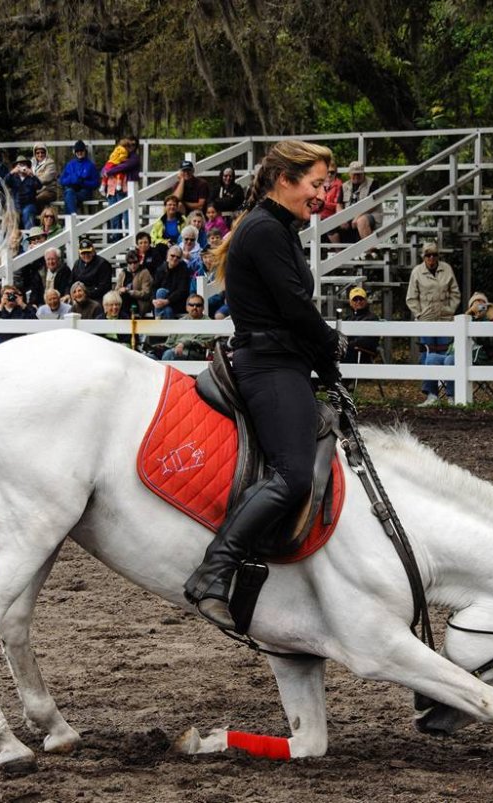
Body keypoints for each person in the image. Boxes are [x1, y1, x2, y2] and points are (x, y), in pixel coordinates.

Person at [183, 139, 341, 629]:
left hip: (284, 361)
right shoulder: (266, 231)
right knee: (293, 475)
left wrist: (325, 363)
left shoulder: (279, 228)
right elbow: (295, 308)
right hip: (269, 366)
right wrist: (332, 344)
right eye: (316, 184)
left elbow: (290, 309)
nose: (322, 195)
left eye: (325, 185)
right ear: (284, 179)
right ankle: (214, 570)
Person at [407, 242, 461, 406]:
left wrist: (449, 310)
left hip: (445, 320)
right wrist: (419, 314)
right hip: (427, 321)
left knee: (449, 356)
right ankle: (431, 394)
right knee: (426, 356)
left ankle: (451, 395)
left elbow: (455, 293)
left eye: (434, 255)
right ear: (423, 257)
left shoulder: (447, 269)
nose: (431, 258)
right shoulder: (417, 272)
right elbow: (411, 297)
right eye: (428, 255)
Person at [159, 294, 210, 360]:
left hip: (194, 352)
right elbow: (169, 343)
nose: (194, 307)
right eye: (191, 305)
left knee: (169, 354)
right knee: (149, 356)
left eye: (198, 305)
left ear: (203, 307)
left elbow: (204, 343)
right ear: (187, 307)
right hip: (174, 351)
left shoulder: (209, 323)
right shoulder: (180, 321)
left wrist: (184, 344)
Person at [338, 161, 380, 241]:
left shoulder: (373, 184)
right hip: (348, 217)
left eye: (359, 174)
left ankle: (369, 251)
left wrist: (357, 217)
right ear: (349, 174)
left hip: (369, 215)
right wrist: (341, 218)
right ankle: (336, 252)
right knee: (330, 223)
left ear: (364, 173)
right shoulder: (344, 186)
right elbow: (339, 205)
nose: (356, 176)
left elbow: (372, 205)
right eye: (354, 174)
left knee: (361, 221)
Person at [59, 141, 101, 216]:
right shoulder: (70, 164)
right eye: (77, 151)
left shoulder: (90, 165)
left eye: (81, 151)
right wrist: (71, 179)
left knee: (68, 196)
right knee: (69, 193)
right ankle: (74, 217)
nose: (79, 153)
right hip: (71, 190)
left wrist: (83, 182)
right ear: (75, 152)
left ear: (85, 151)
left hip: (84, 191)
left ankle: (69, 221)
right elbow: (61, 180)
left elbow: (96, 183)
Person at [151, 245, 191, 319]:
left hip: (176, 302)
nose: (175, 258)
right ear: (167, 256)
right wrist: (154, 300)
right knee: (167, 309)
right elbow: (154, 286)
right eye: (172, 256)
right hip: (161, 302)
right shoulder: (161, 269)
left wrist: (167, 301)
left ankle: (157, 319)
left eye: (178, 257)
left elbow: (182, 291)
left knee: (161, 293)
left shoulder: (183, 270)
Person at [4, 155, 43, 229]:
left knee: (27, 213)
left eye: (24, 164)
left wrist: (32, 175)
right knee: (11, 216)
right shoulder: (13, 178)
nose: (22, 167)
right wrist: (12, 172)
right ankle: (13, 238)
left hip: (29, 204)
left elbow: (39, 186)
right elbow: (4, 182)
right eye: (20, 165)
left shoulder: (31, 177)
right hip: (16, 205)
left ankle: (29, 238)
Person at [344, 286, 380, 363]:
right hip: (348, 353)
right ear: (350, 302)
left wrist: (349, 344)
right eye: (355, 299)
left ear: (366, 301)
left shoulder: (372, 318)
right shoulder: (347, 318)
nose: (358, 302)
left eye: (361, 299)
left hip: (363, 354)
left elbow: (367, 341)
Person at [116, 249, 153, 318]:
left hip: (140, 302)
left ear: (139, 262)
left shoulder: (144, 272)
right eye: (130, 263)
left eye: (135, 262)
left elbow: (146, 293)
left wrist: (131, 292)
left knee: (125, 297)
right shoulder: (123, 273)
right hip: (124, 301)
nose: (133, 265)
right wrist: (120, 290)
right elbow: (116, 290)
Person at [31, 143, 59, 209]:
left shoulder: (50, 163)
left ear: (46, 152)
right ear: (34, 154)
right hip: (35, 191)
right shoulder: (32, 163)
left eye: (42, 152)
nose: (40, 155)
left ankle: (41, 218)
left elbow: (46, 178)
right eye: (37, 153)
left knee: (37, 199)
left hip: (49, 191)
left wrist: (33, 179)